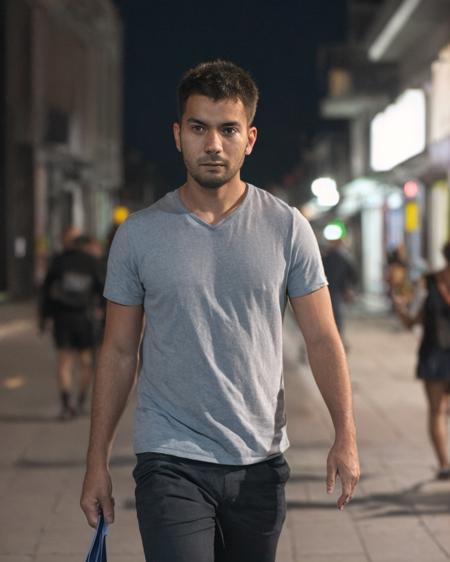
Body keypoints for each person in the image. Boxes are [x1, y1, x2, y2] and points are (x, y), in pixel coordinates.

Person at [80, 60, 360, 562]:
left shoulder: (287, 228)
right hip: (170, 458)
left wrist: (346, 436)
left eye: (228, 129)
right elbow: (119, 350)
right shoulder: (139, 234)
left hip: (260, 460)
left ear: (249, 138)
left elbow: (322, 339)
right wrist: (95, 460)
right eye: (199, 128)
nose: (213, 144)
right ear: (178, 135)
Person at [393, 240, 450, 480]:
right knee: (439, 411)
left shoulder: (426, 283)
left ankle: (444, 465)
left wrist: (399, 306)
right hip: (434, 356)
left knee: (437, 412)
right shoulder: (425, 282)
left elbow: (410, 322)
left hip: (433, 356)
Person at [40, 229, 104, 419]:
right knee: (86, 362)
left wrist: (44, 318)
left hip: (63, 318)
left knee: (64, 362)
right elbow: (104, 290)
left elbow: (46, 291)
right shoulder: (92, 262)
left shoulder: (59, 262)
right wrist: (100, 310)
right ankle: (81, 401)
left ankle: (67, 404)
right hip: (84, 317)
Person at [322, 238, 357, 335]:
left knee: (333, 315)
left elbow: (352, 274)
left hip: (332, 291)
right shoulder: (330, 257)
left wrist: (348, 288)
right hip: (331, 290)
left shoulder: (331, 257)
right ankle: (336, 338)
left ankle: (336, 338)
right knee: (333, 316)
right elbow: (353, 275)